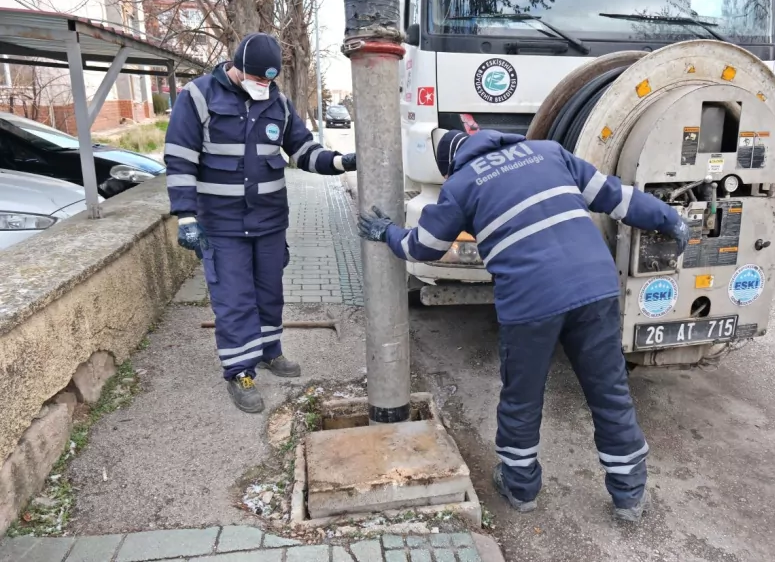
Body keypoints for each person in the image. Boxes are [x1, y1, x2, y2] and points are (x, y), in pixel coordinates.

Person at [357, 129, 689, 522]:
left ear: (452, 164)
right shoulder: (550, 152)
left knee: (523, 397)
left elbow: (423, 247)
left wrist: (387, 233)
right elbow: (619, 198)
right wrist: (671, 220)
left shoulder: (463, 183)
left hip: (531, 301)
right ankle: (629, 496)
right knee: (609, 391)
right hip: (595, 287)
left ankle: (520, 487)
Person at [164, 33, 356, 413]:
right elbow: (180, 158)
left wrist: (340, 163)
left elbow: (303, 150)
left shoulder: (278, 102)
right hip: (221, 225)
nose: (263, 86)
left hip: (268, 222)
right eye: (257, 78)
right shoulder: (199, 97)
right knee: (234, 299)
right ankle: (240, 370)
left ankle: (270, 351)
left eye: (269, 80)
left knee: (269, 293)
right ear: (237, 68)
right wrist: (186, 215)